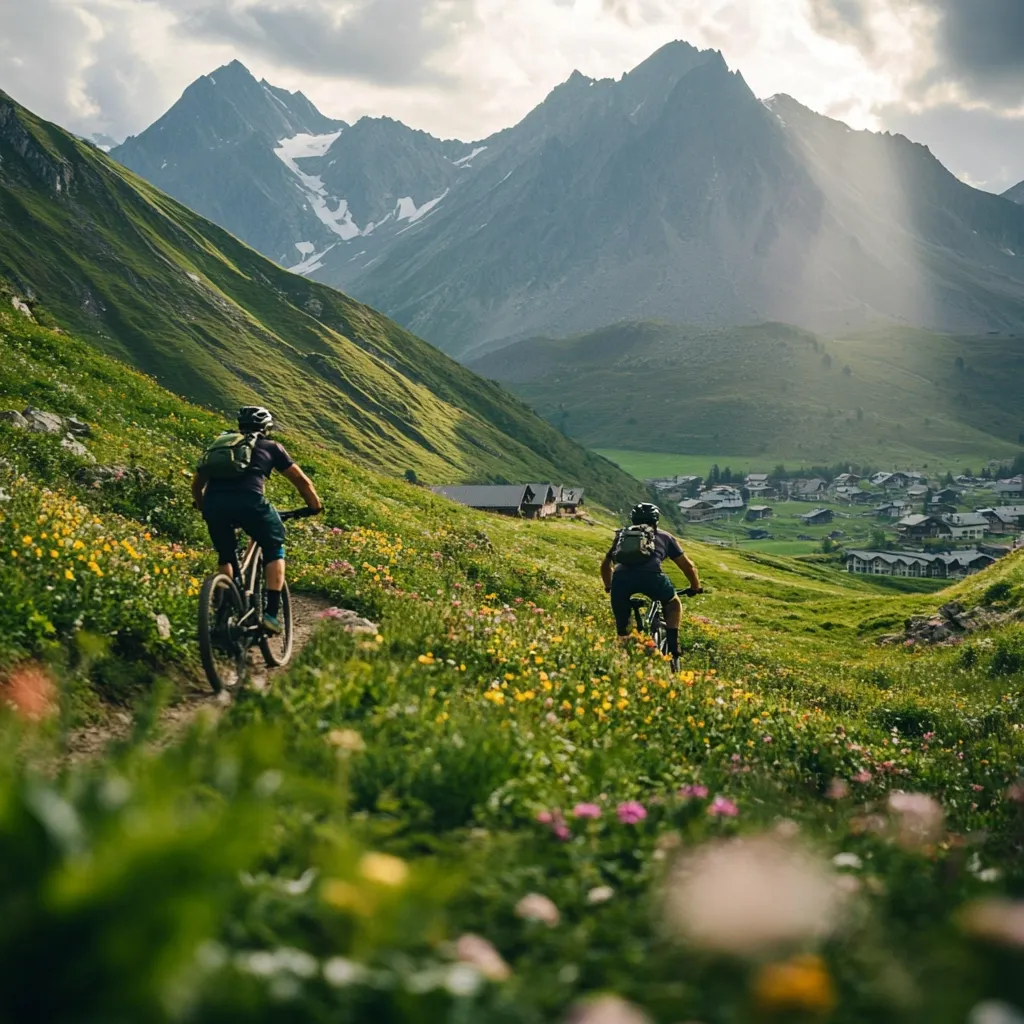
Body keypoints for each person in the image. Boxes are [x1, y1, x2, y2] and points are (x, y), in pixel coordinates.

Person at [191, 407, 322, 635]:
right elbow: (301, 481)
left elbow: (196, 485)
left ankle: (223, 610)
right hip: (250, 503)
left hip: (214, 505)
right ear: (266, 428)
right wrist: (314, 506)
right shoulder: (271, 447)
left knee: (226, 556)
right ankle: (271, 615)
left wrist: (205, 508)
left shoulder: (222, 445)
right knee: (274, 548)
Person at [600, 502, 701, 663]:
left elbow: (606, 564)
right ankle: (673, 641)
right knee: (673, 602)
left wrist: (609, 585)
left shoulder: (622, 536)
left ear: (633, 519)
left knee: (623, 632)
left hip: (621, 580)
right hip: (652, 577)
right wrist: (695, 587)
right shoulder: (665, 537)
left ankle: (624, 665)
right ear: (656, 521)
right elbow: (687, 566)